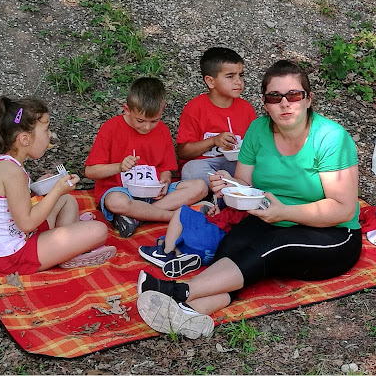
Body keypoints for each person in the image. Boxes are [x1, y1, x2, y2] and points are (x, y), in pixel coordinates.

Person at [135, 60, 361, 339]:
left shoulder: (331, 138)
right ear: (265, 103)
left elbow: (343, 208)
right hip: (271, 216)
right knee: (232, 247)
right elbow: (243, 183)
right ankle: (191, 313)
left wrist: (285, 212)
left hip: (334, 234)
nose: (284, 104)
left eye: (294, 95)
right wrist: (225, 185)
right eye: (274, 97)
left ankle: (178, 290)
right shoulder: (257, 130)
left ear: (308, 98)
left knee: (272, 247)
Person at [0, 96, 115, 274]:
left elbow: (8, 201)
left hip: (10, 243)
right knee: (99, 230)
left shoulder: (0, 162)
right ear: (24, 139)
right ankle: (71, 252)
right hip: (14, 257)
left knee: (67, 200)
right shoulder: (12, 172)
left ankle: (66, 249)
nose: (50, 135)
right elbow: (27, 223)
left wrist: (36, 189)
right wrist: (56, 190)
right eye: (46, 129)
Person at [84, 77, 208, 238]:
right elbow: (90, 171)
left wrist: (165, 182)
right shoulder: (110, 128)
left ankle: (138, 217)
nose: (147, 127)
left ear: (163, 109)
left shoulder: (162, 131)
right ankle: (172, 216)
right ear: (126, 109)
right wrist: (119, 167)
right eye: (140, 120)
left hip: (153, 193)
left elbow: (166, 169)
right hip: (122, 192)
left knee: (200, 186)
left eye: (154, 120)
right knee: (115, 201)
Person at [177, 47, 257, 185]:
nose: (238, 81)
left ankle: (226, 188)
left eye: (240, 75)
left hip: (235, 165)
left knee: (257, 169)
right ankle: (227, 188)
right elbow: (183, 152)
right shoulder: (195, 108)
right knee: (191, 170)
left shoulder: (246, 108)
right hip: (204, 165)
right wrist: (213, 141)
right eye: (230, 76)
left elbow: (255, 146)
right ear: (210, 81)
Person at [137, 201, 246, 278]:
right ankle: (181, 256)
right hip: (210, 254)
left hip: (213, 235)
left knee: (182, 211)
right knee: (166, 239)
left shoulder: (245, 207)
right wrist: (218, 216)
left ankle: (165, 253)